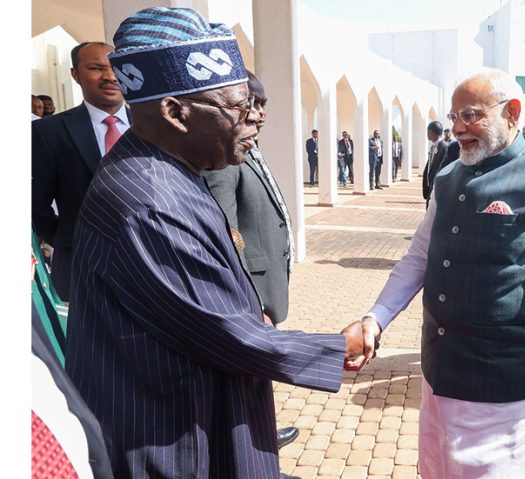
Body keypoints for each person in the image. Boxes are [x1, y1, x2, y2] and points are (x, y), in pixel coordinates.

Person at [65, 8, 364, 478]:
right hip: (171, 434)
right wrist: (334, 348)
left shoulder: (168, 170)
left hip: (197, 409)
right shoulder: (148, 201)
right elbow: (226, 333)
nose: (254, 119)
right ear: (175, 112)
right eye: (238, 107)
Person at [351, 69, 525, 477]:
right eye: (453, 116)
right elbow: (420, 255)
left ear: (512, 112)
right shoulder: (448, 177)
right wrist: (376, 316)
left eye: (470, 115)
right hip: (439, 384)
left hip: (506, 398)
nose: (456, 128)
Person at [202, 70, 300, 464]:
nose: (259, 113)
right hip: (251, 289)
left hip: (266, 279)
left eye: (262, 104)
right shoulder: (224, 159)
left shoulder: (250, 147)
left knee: (256, 371)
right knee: (249, 371)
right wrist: (249, 297)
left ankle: (260, 428)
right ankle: (255, 438)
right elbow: (227, 231)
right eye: (251, 104)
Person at [32, 41, 130, 301]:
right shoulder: (48, 132)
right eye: (96, 68)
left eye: (116, 68)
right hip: (81, 266)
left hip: (153, 264)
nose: (109, 76)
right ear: (76, 74)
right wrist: (71, 239)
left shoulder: (154, 124)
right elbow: (37, 206)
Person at [422, 121, 448, 207]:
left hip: (437, 191)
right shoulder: (434, 147)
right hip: (431, 189)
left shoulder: (444, 148)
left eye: (427, 132)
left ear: (431, 132)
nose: (427, 134)